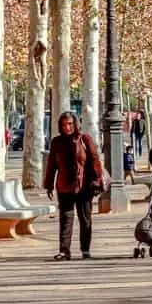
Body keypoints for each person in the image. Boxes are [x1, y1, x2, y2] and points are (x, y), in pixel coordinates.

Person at [42, 112, 106, 261]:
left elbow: (95, 160)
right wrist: (49, 185)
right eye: (64, 124)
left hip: (83, 186)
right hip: (64, 186)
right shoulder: (56, 142)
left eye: (70, 124)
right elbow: (51, 165)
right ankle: (64, 251)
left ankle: (85, 250)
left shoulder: (85, 139)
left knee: (85, 219)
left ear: (76, 124)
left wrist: (97, 180)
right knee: (66, 219)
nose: (67, 127)